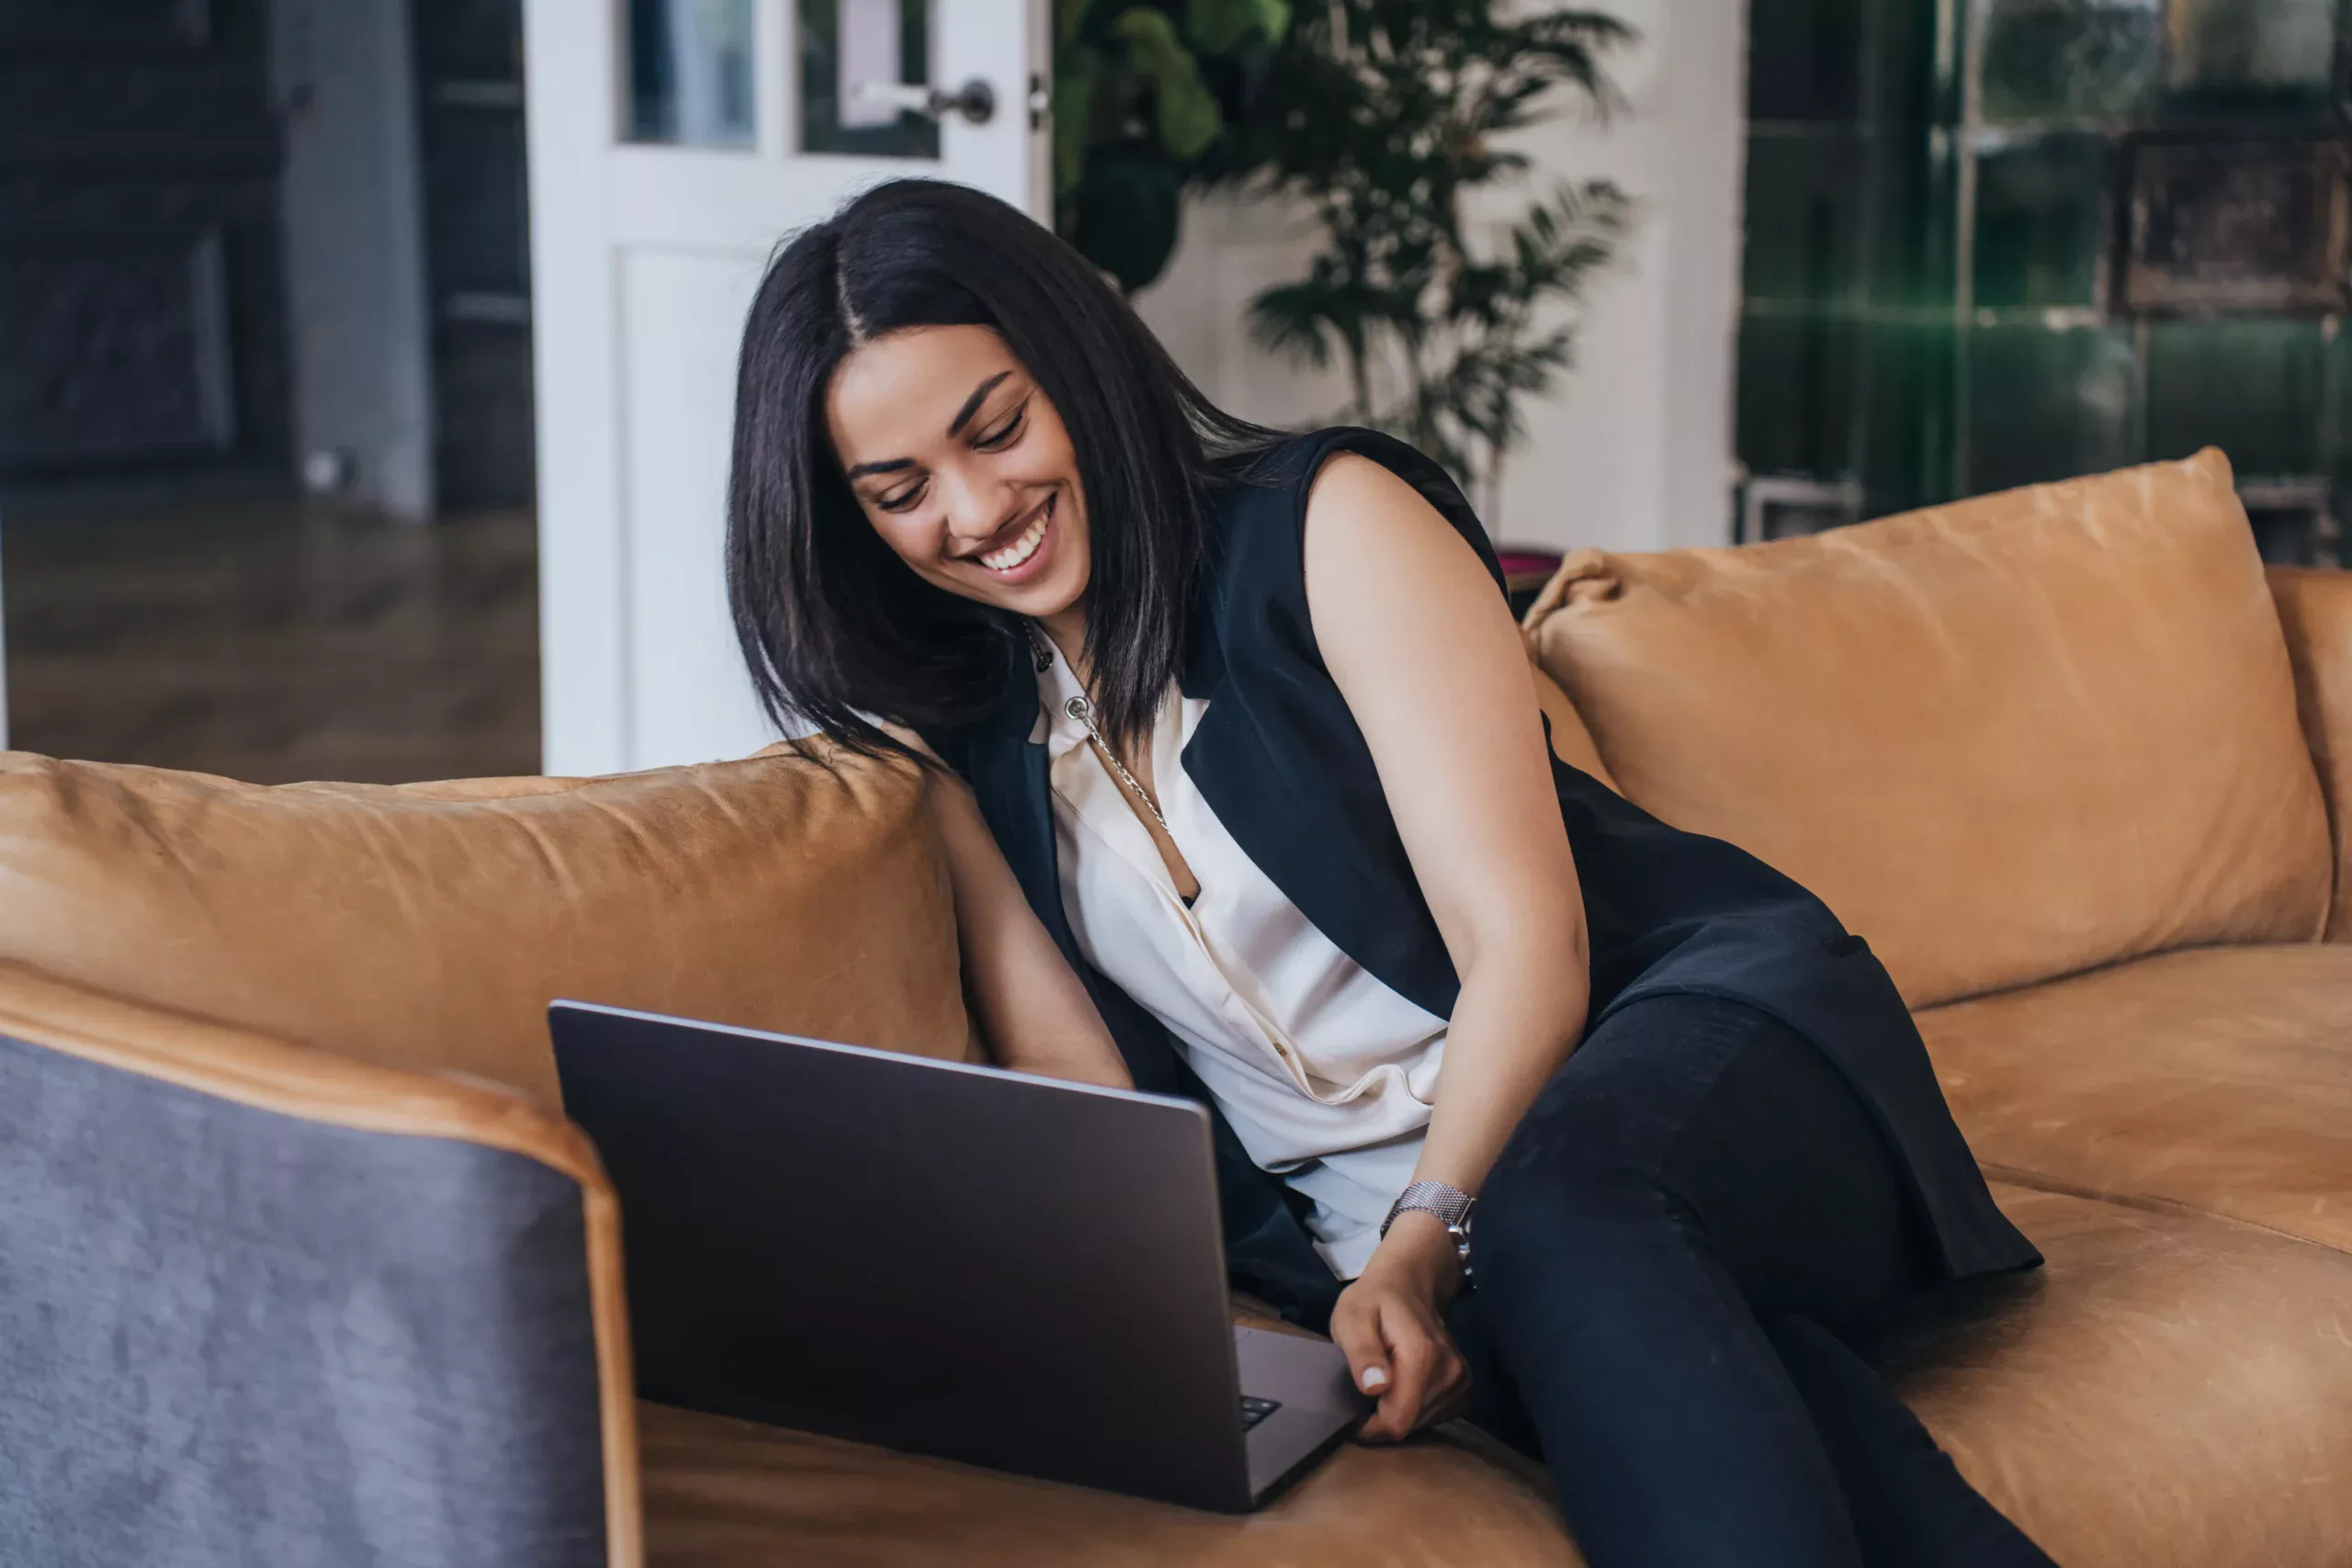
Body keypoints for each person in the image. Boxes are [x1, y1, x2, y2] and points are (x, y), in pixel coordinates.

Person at [723, 177, 2057, 1568]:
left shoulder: (1325, 525)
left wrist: (1425, 1237)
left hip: (1695, 1065)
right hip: (1452, 1256)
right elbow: (1090, 1100)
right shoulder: (956, 747)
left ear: (1078, 363)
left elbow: (1524, 941)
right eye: (901, 491)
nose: (977, 507)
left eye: (997, 428)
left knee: (1553, 1227)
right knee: (1738, 1391)